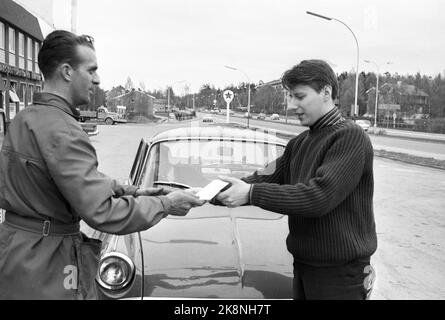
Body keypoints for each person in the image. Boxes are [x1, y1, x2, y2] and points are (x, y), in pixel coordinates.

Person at [0, 30, 205, 299]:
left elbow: (66, 181)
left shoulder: (25, 118)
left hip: (15, 250)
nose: (97, 79)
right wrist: (166, 204)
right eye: (92, 70)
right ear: (67, 72)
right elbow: (102, 213)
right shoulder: (65, 130)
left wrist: (134, 192)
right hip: (48, 263)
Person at [215, 59, 377, 300]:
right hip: (304, 266)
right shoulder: (299, 143)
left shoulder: (350, 137)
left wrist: (250, 193)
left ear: (326, 92)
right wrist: (207, 193)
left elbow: (319, 197)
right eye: (289, 97)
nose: (291, 105)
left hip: (340, 276)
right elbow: (264, 179)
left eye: (299, 96)